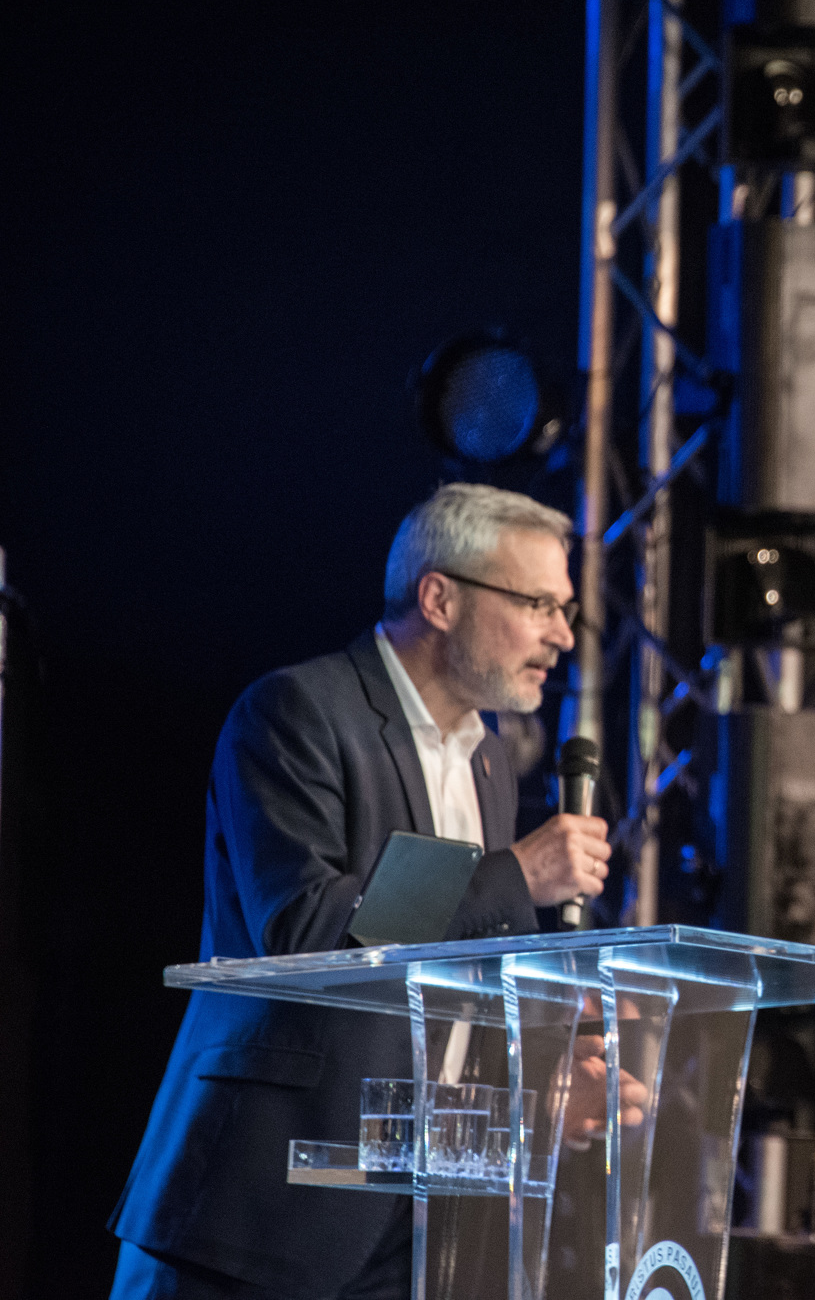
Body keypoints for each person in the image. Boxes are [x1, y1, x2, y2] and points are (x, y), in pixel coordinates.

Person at [109, 484, 620, 1299]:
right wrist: (515, 874)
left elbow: (455, 979)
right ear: (440, 598)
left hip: (414, 1218)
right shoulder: (296, 712)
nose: (562, 634)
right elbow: (307, 930)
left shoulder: (488, 759)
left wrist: (548, 1081)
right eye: (538, 604)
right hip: (262, 1214)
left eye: (565, 610)